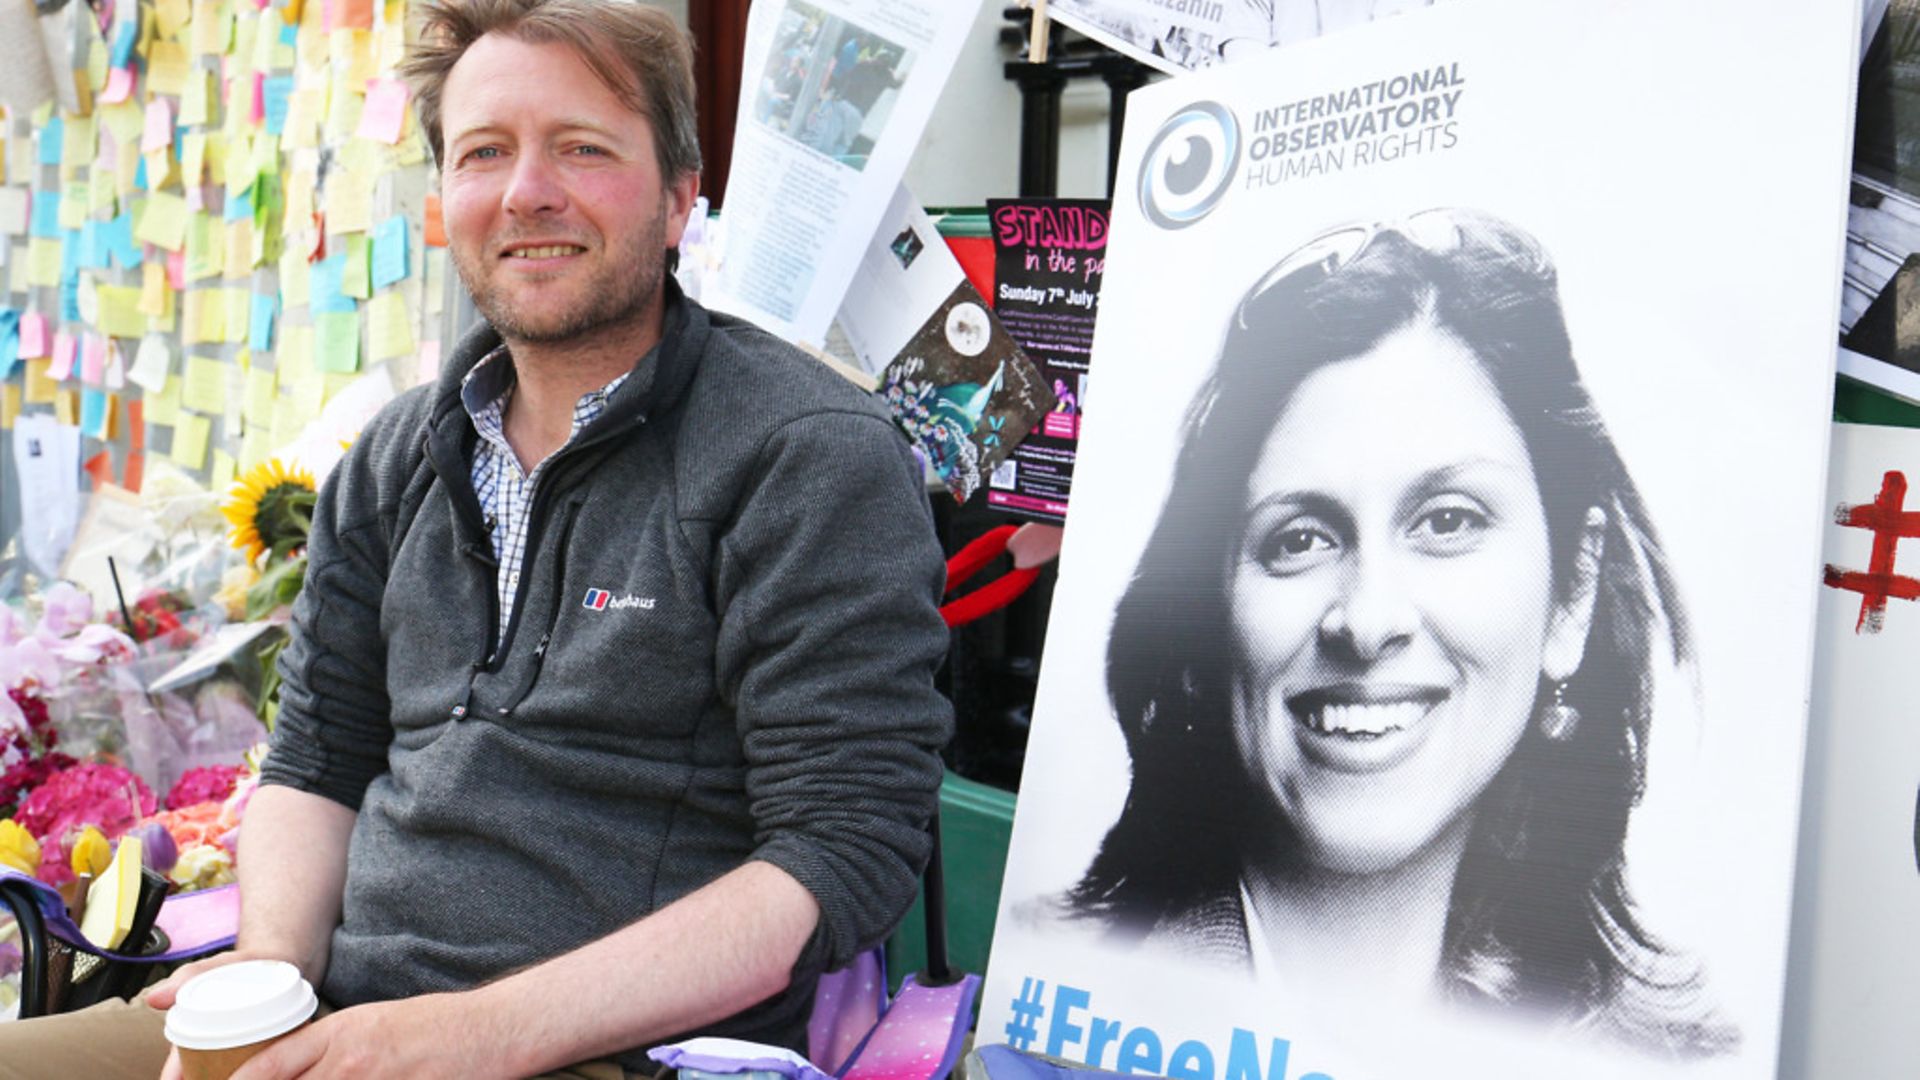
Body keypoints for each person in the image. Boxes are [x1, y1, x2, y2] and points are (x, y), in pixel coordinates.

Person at [0, 0, 952, 1077]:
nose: (526, 192)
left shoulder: (804, 455)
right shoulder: (397, 456)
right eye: (483, 152)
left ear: (683, 196)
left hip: (613, 1054)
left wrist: (462, 1036)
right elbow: (317, 760)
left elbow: (841, 853)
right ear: (444, 200)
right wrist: (266, 967)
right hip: (341, 1020)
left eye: (583, 149)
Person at [1059, 209, 1734, 1058]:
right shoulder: (1065, 993)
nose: (1368, 620)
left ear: (1573, 592)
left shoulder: (1668, 1057)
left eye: (1448, 520)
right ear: (1204, 612)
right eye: (1299, 539)